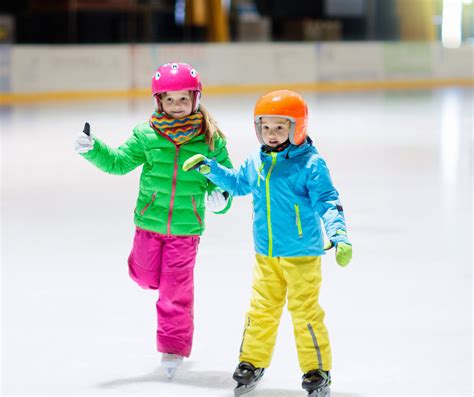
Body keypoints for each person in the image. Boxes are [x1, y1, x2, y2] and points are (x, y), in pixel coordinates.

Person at [182, 90, 352, 396]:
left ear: (297, 127)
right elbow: (237, 183)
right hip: (266, 255)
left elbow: (327, 201)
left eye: (279, 127)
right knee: (261, 310)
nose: (271, 134)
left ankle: (317, 370)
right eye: (265, 127)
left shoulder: (311, 164)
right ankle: (251, 362)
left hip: (302, 255)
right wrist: (211, 169)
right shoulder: (255, 161)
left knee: (305, 312)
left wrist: (338, 235)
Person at [74, 62, 233, 378]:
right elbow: (118, 163)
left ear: (196, 100)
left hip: (186, 231)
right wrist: (93, 150)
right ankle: (150, 276)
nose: (177, 106)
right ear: (159, 101)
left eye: (183, 99)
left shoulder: (210, 140)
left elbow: (226, 180)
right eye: (169, 100)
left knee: (175, 291)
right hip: (149, 224)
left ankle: (172, 348)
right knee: (146, 277)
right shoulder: (146, 136)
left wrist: (223, 200)